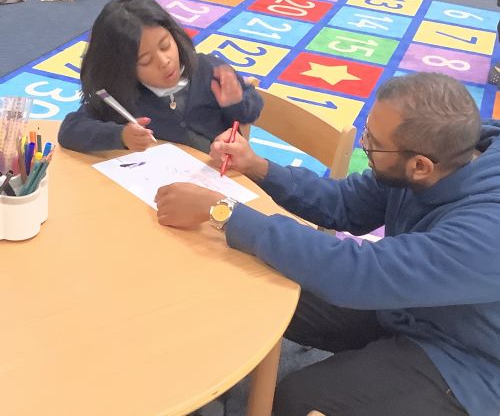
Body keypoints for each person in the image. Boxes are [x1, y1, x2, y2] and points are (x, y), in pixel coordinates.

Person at [155, 72, 500, 416]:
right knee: (258, 281)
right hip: (404, 301)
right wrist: (259, 167)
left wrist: (224, 212)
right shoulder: (442, 150)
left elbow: (361, 273)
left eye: (373, 141)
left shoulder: (484, 233)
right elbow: (346, 203)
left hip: (466, 359)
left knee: (297, 400)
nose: (365, 145)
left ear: (420, 166)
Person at [58, 0, 263, 153]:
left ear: (174, 35)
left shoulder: (208, 69)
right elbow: (70, 129)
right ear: (124, 69)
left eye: (165, 45)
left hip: (222, 177)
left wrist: (236, 102)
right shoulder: (123, 96)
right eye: (146, 61)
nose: (164, 62)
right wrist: (120, 136)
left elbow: (249, 111)